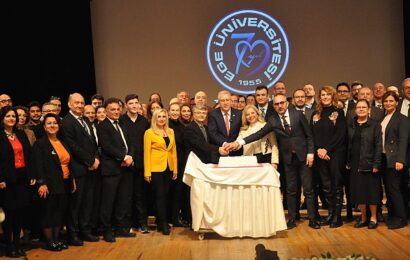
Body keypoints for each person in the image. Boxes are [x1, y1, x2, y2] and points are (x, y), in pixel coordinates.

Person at [229, 94, 320, 229]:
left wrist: (311, 153)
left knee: (308, 190)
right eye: (276, 104)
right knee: (291, 190)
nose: (280, 106)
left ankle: (313, 219)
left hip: (304, 157)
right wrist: (240, 142)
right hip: (288, 159)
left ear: (287, 103)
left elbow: (309, 135)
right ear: (274, 106)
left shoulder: (297, 115)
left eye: (282, 103)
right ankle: (292, 219)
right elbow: (258, 134)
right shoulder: (272, 120)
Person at [61, 93, 100, 245]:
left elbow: (93, 143)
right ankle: (73, 234)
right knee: (76, 204)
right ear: (69, 104)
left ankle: (85, 231)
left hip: (91, 168)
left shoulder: (85, 120)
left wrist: (96, 158)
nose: (80, 105)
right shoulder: (67, 123)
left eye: (82, 102)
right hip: (78, 169)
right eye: (76, 103)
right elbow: (72, 146)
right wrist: (90, 161)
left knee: (87, 203)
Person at [32, 113, 74, 252]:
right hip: (49, 184)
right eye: (49, 123)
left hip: (64, 182)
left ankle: (57, 240)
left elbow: (69, 163)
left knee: (59, 213)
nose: (52, 125)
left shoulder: (63, 142)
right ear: (44, 127)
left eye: (55, 123)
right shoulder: (40, 144)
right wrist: (42, 183)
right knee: (48, 213)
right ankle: (50, 242)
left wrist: (72, 179)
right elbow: (38, 165)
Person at [97, 98, 135, 242]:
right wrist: (124, 157)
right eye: (113, 109)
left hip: (126, 169)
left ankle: (121, 229)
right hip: (111, 170)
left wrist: (130, 155)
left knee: (123, 200)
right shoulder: (102, 126)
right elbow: (107, 146)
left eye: (118, 109)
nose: (116, 111)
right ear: (106, 111)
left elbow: (130, 142)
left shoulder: (123, 124)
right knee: (108, 202)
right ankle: (107, 230)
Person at [311, 86, 347, 228]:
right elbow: (311, 135)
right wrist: (318, 150)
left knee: (336, 185)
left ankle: (337, 217)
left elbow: (340, 135)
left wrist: (326, 149)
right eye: (323, 95)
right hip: (320, 155)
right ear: (320, 97)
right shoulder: (315, 114)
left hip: (335, 154)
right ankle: (330, 214)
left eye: (328, 94)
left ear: (333, 97)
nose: (325, 97)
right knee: (326, 186)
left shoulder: (338, 112)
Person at [0, 106, 32, 257]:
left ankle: (18, 245)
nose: (12, 118)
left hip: (22, 179)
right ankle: (9, 245)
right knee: (9, 214)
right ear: (2, 118)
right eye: (8, 116)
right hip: (7, 180)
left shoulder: (20, 134)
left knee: (20, 212)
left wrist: (31, 175)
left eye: (13, 116)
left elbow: (29, 156)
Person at [347, 99, 382, 229]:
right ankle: (363, 217)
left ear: (368, 110)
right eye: (358, 107)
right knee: (359, 192)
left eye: (364, 107)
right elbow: (349, 145)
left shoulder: (375, 125)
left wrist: (376, 164)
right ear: (355, 110)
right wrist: (348, 161)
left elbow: (378, 146)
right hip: (355, 162)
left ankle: (373, 217)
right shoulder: (352, 125)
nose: (361, 109)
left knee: (371, 192)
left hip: (370, 162)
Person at [119, 94, 150, 234]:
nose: (134, 105)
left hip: (141, 164)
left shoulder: (144, 121)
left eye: (136, 103)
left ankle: (142, 223)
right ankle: (128, 224)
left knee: (141, 195)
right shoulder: (121, 120)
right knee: (127, 195)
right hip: (126, 164)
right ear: (126, 105)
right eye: (131, 103)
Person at [143, 109, 178, 235]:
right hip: (155, 168)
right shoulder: (149, 133)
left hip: (169, 167)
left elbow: (173, 151)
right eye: (159, 117)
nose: (162, 119)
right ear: (155, 118)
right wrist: (147, 172)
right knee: (160, 196)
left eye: (164, 116)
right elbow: (146, 153)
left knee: (166, 194)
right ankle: (163, 223)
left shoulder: (170, 131)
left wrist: (175, 169)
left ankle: (160, 221)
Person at [380, 91, 409, 229]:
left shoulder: (402, 119)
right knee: (390, 189)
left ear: (397, 102)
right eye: (386, 101)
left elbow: (404, 141)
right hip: (384, 158)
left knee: (394, 189)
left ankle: (402, 218)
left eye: (391, 101)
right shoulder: (383, 117)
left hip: (395, 159)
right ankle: (393, 214)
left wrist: (400, 160)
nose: (388, 103)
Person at [168, 102, 190, 227]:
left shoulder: (182, 126)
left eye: (177, 110)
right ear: (169, 111)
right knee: (172, 192)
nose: (175, 112)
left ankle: (177, 217)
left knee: (179, 191)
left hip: (181, 162)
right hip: (171, 162)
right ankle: (173, 218)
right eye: (173, 110)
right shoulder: (166, 126)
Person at [208, 90, 242, 161]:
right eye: (222, 100)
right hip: (219, 153)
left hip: (236, 152)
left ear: (230, 101)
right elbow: (213, 133)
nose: (225, 103)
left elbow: (242, 131)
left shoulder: (239, 114)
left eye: (227, 100)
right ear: (219, 102)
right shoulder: (213, 114)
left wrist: (236, 144)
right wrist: (225, 144)